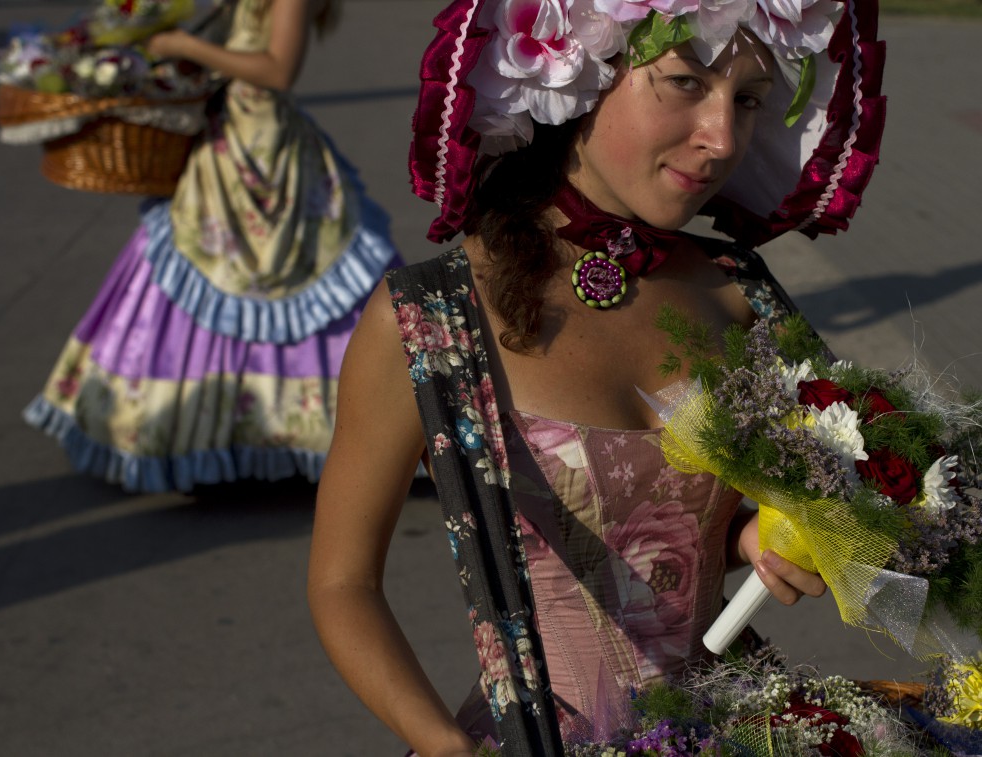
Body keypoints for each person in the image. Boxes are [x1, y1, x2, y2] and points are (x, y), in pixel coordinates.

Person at [308, 0, 885, 754]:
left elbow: (850, 483)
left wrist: (759, 537)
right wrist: (443, 743)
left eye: (747, 99)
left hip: (733, 728)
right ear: (580, 77)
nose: (721, 138)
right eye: (685, 82)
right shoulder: (432, 317)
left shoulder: (738, 292)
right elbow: (342, 584)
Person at [23, 0, 403, 492]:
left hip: (264, 146)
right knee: (194, 269)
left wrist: (184, 46)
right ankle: (215, 434)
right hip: (229, 135)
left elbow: (278, 70)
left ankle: (334, 431)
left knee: (256, 273)